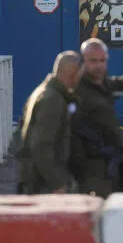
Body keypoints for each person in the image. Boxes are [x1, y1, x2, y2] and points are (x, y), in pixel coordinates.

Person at [70, 38, 123, 198]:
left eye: (102, 60)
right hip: (90, 165)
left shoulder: (102, 84)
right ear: (83, 62)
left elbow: (115, 83)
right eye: (93, 61)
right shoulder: (77, 91)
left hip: (109, 161)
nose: (98, 65)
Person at [16, 51, 82, 195]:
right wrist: (57, 182)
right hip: (42, 185)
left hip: (35, 180)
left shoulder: (43, 92)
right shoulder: (53, 100)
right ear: (73, 74)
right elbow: (41, 145)